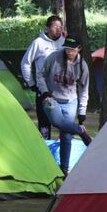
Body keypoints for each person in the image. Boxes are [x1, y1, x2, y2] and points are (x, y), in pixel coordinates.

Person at [37, 36, 92, 175]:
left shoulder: (82, 66)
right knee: (57, 121)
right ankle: (81, 132)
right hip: (51, 98)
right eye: (67, 48)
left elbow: (84, 90)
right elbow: (41, 75)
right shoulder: (53, 58)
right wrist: (44, 92)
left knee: (66, 135)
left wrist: (82, 114)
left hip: (71, 101)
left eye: (72, 49)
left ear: (79, 49)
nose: (69, 51)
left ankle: (64, 169)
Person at [21, 15, 66, 139]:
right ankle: (45, 147)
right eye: (55, 27)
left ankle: (63, 149)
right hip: (44, 89)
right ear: (47, 28)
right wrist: (31, 83)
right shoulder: (38, 43)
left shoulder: (64, 42)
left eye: (60, 27)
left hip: (62, 89)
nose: (58, 30)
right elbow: (25, 62)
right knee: (44, 123)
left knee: (64, 122)